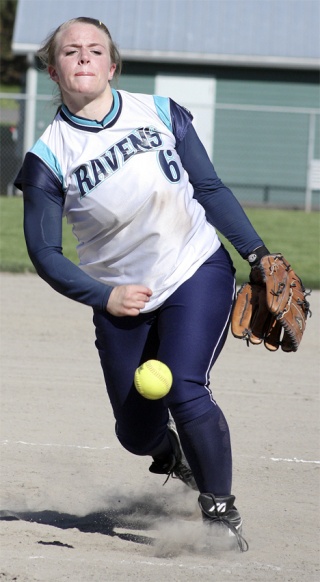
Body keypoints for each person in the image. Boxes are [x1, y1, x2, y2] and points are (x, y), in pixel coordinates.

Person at [15, 16, 273, 552]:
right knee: (135, 435)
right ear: (52, 68)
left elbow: (208, 186)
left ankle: (219, 510)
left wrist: (258, 254)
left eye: (94, 49)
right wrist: (104, 296)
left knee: (183, 385)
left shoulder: (159, 112)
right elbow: (43, 252)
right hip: (120, 299)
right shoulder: (48, 156)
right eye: (70, 51)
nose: (83, 57)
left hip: (194, 268)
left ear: (112, 65)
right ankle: (171, 456)